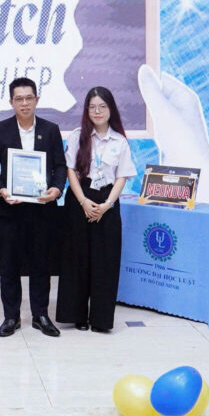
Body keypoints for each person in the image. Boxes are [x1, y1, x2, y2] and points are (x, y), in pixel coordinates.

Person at [0, 77, 67, 337]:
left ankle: (40, 315)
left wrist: (57, 189)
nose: (24, 103)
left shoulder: (51, 130)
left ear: (36, 100)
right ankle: (11, 316)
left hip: (42, 209)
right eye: (19, 99)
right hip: (10, 210)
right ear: (11, 102)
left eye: (29, 98)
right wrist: (2, 189)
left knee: (41, 264)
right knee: (9, 265)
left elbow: (60, 166)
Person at [56, 86, 136, 333]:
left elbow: (122, 176)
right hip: (80, 198)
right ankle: (77, 315)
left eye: (102, 106)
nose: (97, 111)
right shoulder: (77, 136)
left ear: (110, 109)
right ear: (86, 110)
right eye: (92, 107)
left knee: (105, 261)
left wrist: (107, 205)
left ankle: (101, 318)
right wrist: (82, 201)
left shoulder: (120, 141)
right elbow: (70, 170)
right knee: (76, 259)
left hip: (107, 201)